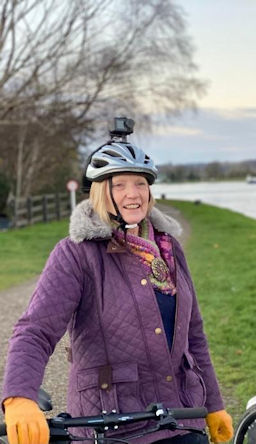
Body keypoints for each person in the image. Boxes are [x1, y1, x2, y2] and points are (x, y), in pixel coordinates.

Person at [1, 119, 233, 444]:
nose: (133, 194)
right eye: (120, 184)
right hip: (111, 426)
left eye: (140, 183)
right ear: (100, 192)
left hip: (179, 419)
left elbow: (193, 336)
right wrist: (19, 396)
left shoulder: (169, 249)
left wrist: (213, 406)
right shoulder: (77, 254)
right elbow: (35, 330)